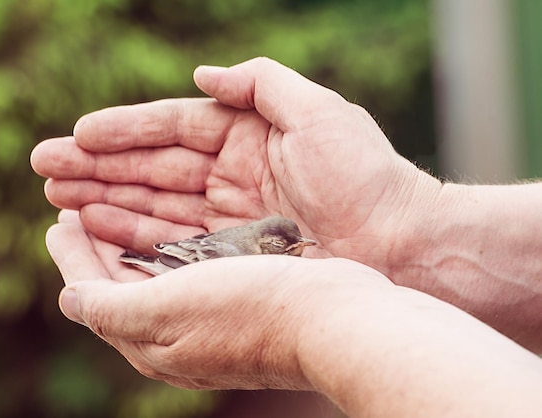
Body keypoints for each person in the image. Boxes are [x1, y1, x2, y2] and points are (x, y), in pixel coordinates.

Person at [30, 57, 542, 417]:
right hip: (179, 260)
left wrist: (304, 318)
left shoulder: (272, 262)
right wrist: (409, 233)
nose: (300, 250)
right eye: (288, 247)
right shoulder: (239, 254)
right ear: (266, 246)